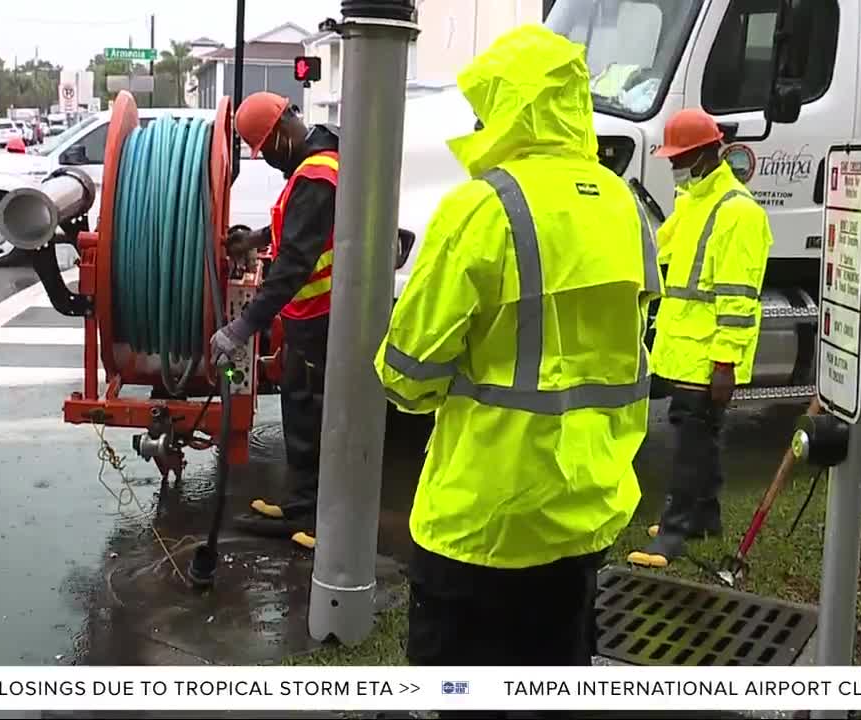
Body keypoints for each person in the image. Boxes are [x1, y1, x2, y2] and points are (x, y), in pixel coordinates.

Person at [376, 24, 660, 672]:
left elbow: (405, 376)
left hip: (479, 524)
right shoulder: (623, 206)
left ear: (511, 108)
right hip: (583, 514)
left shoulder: (480, 208)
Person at [628, 108, 774, 569]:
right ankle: (704, 518)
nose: (676, 166)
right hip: (685, 344)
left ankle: (672, 534)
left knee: (691, 443)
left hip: (708, 351)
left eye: (683, 157)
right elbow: (661, 251)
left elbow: (737, 297)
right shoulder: (694, 200)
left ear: (709, 153)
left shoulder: (738, 214)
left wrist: (725, 363)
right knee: (703, 435)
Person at [209, 91, 340, 550]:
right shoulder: (314, 164)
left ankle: (325, 524)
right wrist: (255, 239)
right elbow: (300, 228)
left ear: (283, 131)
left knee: (323, 418)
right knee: (300, 412)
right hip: (308, 317)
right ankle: (300, 505)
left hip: (325, 318)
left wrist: (242, 328)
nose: (265, 159)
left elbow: (295, 262)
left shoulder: (318, 174)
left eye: (265, 149)